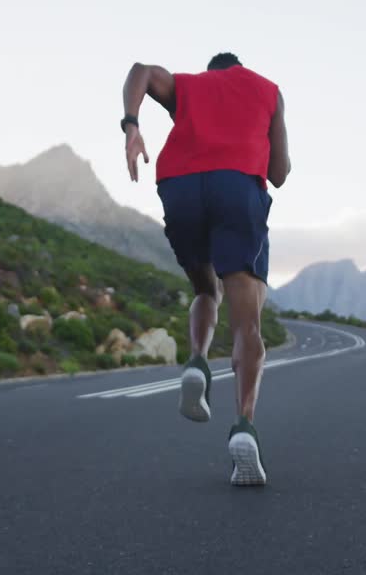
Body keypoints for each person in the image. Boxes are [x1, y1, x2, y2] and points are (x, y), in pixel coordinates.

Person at [121, 51, 291, 486]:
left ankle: (197, 361)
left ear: (212, 71)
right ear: (238, 69)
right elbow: (279, 173)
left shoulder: (189, 87)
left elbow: (141, 70)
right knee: (246, 321)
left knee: (204, 288)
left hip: (179, 186)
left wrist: (132, 126)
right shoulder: (267, 90)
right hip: (236, 186)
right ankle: (244, 426)